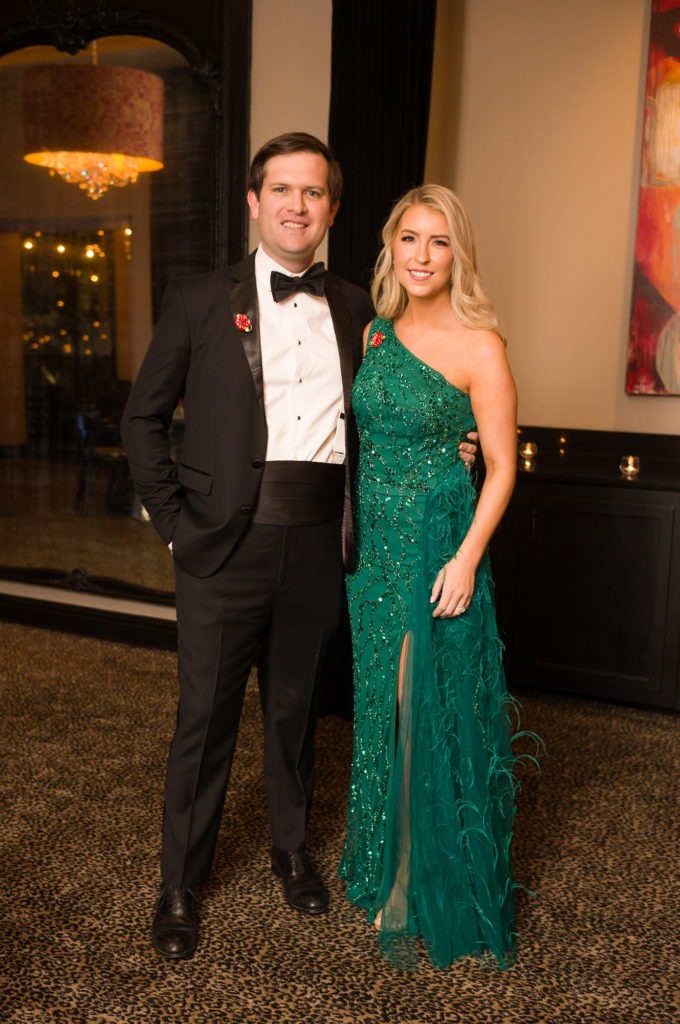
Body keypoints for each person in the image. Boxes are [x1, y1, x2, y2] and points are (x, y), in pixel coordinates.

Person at [122, 132, 478, 961]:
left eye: (312, 193)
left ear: (333, 210)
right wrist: (173, 523)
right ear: (254, 202)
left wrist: (456, 441)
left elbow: (407, 403)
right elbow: (142, 420)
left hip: (322, 543)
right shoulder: (199, 298)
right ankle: (179, 884)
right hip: (219, 545)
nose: (295, 205)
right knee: (204, 720)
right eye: (280, 189)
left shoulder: (361, 311)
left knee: (293, 716)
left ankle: (291, 851)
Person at [339, 184, 536, 970]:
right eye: (409, 240)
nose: (421, 257)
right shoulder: (374, 336)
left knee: (421, 708)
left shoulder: (480, 343)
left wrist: (466, 558)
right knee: (380, 707)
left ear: (459, 255)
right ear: (391, 248)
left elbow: (501, 466)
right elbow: (368, 442)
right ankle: (386, 859)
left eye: (438, 242)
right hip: (374, 555)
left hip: (434, 548)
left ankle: (416, 882)